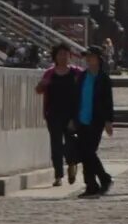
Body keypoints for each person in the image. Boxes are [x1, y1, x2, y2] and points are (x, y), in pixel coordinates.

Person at [72, 43, 116, 197]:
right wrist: (73, 118)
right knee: (85, 154)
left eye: (91, 56)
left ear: (98, 59)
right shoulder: (82, 76)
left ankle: (104, 179)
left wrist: (109, 121)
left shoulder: (103, 78)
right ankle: (91, 185)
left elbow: (108, 101)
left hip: (96, 120)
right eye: (87, 57)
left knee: (89, 152)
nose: (89, 59)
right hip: (81, 119)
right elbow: (76, 98)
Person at [38, 42, 82, 186]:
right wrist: (42, 84)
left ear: (70, 56)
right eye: (60, 54)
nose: (63, 57)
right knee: (56, 144)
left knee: (70, 143)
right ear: (55, 57)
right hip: (54, 113)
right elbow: (39, 90)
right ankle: (58, 175)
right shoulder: (50, 73)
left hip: (71, 114)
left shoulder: (77, 72)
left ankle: (72, 164)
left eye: (66, 54)